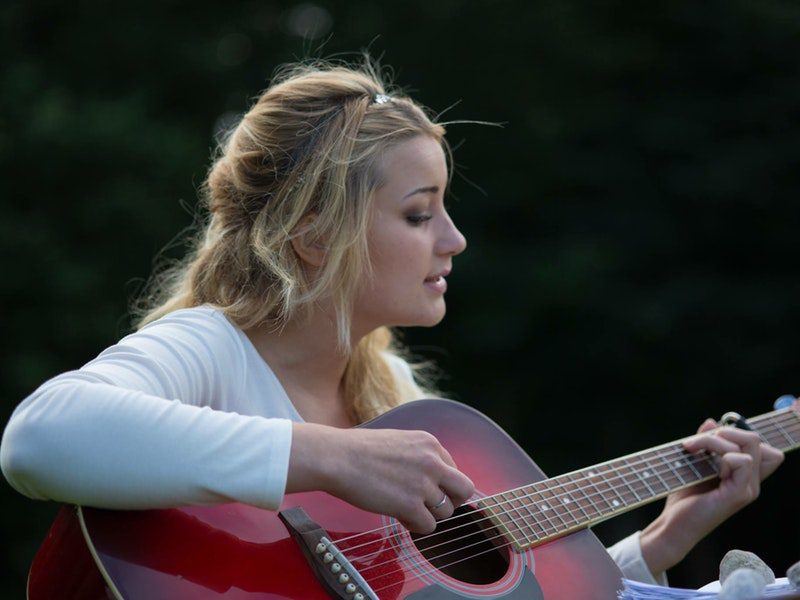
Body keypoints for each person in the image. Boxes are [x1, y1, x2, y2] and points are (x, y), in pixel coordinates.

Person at [0, 58, 788, 588]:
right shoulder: (210, 348)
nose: (455, 239)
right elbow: (38, 439)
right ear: (313, 236)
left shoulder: (395, 393)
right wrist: (333, 458)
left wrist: (660, 542)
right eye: (419, 214)